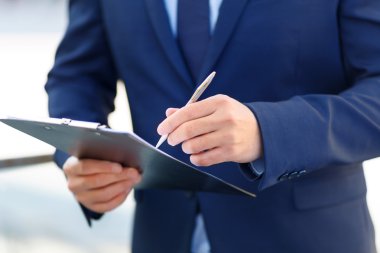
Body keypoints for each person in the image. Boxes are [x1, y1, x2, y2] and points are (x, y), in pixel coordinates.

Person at [45, 0, 380, 252]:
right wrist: (82, 156)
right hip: (161, 235)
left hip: (306, 237)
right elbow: (78, 78)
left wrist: (269, 131)